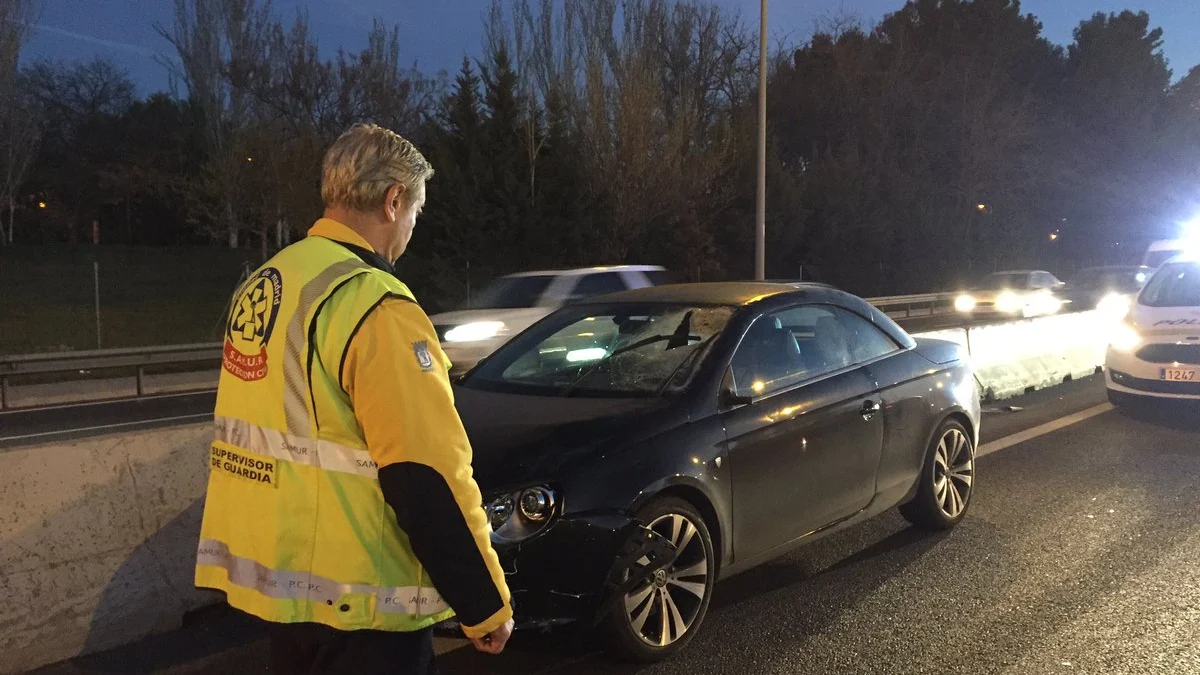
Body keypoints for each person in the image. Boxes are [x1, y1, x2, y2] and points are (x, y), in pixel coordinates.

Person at [195, 123, 513, 674]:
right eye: (415, 211)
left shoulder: (269, 282)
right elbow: (427, 472)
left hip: (285, 594)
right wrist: (485, 605)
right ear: (393, 200)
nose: (412, 226)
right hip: (366, 609)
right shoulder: (375, 304)